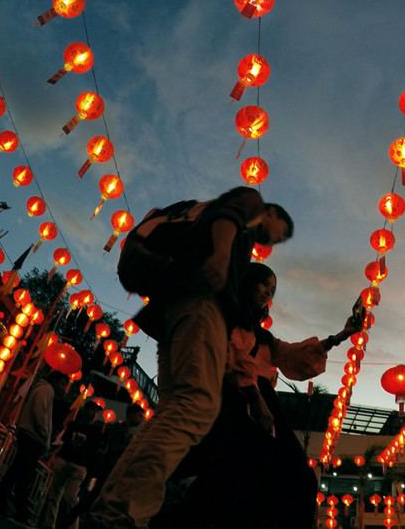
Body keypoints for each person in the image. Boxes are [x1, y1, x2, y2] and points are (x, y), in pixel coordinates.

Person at [86, 187, 293, 528]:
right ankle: (120, 516)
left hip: (173, 305)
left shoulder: (194, 208)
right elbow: (228, 219)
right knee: (196, 405)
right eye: (280, 231)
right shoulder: (249, 204)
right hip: (201, 302)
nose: (275, 238)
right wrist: (222, 257)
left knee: (173, 410)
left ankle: (111, 510)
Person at [152, 262, 362, 528]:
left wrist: (341, 335)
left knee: (290, 479)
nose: (268, 293)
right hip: (233, 401)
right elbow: (232, 358)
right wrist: (255, 399)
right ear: (247, 282)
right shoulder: (222, 317)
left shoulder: (263, 337)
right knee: (234, 479)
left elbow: (293, 355)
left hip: (261, 401)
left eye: (273, 289)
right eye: (264, 284)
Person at [0, 370, 68, 524]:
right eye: (63, 383)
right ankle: (17, 509)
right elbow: (40, 413)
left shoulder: (45, 391)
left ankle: (9, 505)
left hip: (31, 436)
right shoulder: (45, 391)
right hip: (33, 437)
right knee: (22, 473)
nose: (64, 388)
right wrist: (45, 433)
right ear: (54, 381)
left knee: (18, 471)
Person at [61, 405, 146, 529]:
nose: (142, 419)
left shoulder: (128, 433)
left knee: (92, 502)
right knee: (91, 501)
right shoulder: (118, 429)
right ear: (131, 414)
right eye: (140, 415)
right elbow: (113, 447)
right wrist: (130, 448)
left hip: (111, 473)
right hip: (106, 472)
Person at [39, 399, 104, 529]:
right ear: (85, 410)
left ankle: (72, 525)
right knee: (54, 495)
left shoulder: (96, 432)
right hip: (64, 460)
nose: (93, 413)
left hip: (79, 467)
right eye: (91, 410)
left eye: (96, 412)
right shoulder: (73, 425)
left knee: (70, 496)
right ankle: (48, 524)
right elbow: (64, 442)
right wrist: (54, 455)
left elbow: (95, 451)